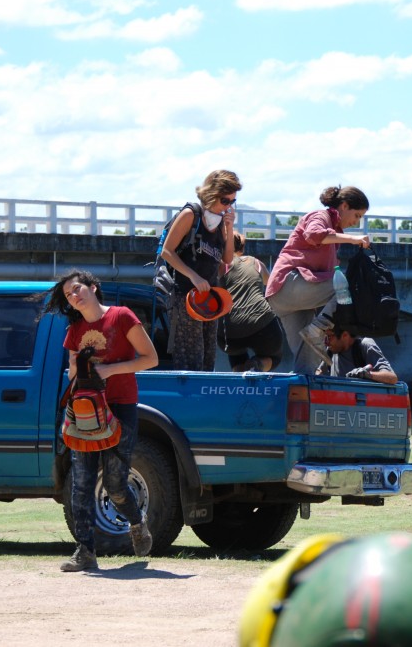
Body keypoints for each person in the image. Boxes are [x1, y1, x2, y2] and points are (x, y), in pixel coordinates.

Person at [42, 269, 159, 572]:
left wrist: (109, 370)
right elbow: (70, 372)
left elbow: (150, 358)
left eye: (78, 288)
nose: (74, 296)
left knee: (115, 483)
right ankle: (85, 552)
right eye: (68, 294)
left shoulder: (121, 316)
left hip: (120, 407)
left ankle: (136, 522)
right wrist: (80, 367)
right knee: (80, 485)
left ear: (93, 287)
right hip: (86, 410)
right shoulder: (75, 329)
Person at [265, 185, 370, 373]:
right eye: (357, 215)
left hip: (289, 301)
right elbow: (314, 235)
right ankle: (318, 329)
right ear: (344, 206)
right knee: (348, 285)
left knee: (308, 358)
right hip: (288, 284)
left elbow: (323, 284)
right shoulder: (320, 216)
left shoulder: (335, 235)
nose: (357, 222)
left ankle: (304, 391)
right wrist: (354, 240)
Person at [160, 169, 239, 370]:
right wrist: (193, 276)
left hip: (209, 298)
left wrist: (229, 228)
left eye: (232, 202)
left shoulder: (220, 221)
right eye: (225, 200)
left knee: (207, 358)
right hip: (184, 295)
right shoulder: (191, 215)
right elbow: (167, 252)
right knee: (190, 358)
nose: (227, 206)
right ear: (212, 194)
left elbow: (228, 258)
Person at [219, 231, 283, 372]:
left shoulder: (219, 267)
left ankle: (240, 376)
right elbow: (271, 284)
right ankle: (257, 365)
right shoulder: (255, 262)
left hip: (228, 333)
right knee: (275, 356)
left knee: (235, 351)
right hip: (262, 324)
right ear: (242, 249)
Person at [315, 325, 398, 384]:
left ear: (345, 335)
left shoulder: (365, 345)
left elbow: (392, 378)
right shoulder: (331, 350)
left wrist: (367, 375)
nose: (326, 342)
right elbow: (319, 372)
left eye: (329, 337)